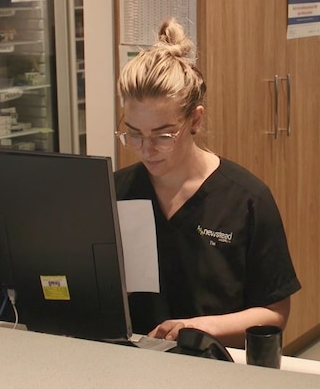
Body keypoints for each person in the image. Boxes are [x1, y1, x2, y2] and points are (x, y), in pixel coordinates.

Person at [113, 18, 301, 349]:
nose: (146, 149)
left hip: (215, 365)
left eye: (163, 135)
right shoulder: (115, 193)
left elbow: (274, 312)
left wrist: (196, 327)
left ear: (195, 119)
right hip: (132, 360)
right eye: (134, 134)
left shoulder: (246, 200)